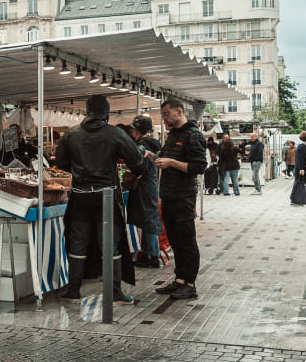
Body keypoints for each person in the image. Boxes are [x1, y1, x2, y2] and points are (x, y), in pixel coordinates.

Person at [54, 95, 153, 305]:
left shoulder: (71, 134)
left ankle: (73, 291)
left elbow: (60, 162)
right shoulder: (115, 133)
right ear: (106, 113)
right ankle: (115, 293)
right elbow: (136, 162)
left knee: (78, 242)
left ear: (87, 112)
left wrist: (80, 172)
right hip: (106, 195)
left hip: (80, 195)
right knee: (110, 243)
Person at [154, 99, 208, 300]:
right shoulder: (173, 135)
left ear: (179, 111)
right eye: (163, 115)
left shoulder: (193, 135)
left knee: (186, 240)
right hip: (168, 195)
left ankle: (190, 284)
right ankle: (179, 280)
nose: (164, 118)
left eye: (167, 114)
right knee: (175, 240)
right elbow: (166, 160)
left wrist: (171, 162)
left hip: (183, 196)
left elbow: (198, 167)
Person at [126, 116, 163, 269]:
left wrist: (130, 172)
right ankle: (149, 254)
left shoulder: (142, 145)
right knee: (148, 219)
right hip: (150, 185)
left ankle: (152, 256)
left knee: (148, 221)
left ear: (137, 130)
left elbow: (139, 166)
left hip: (145, 186)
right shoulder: (151, 143)